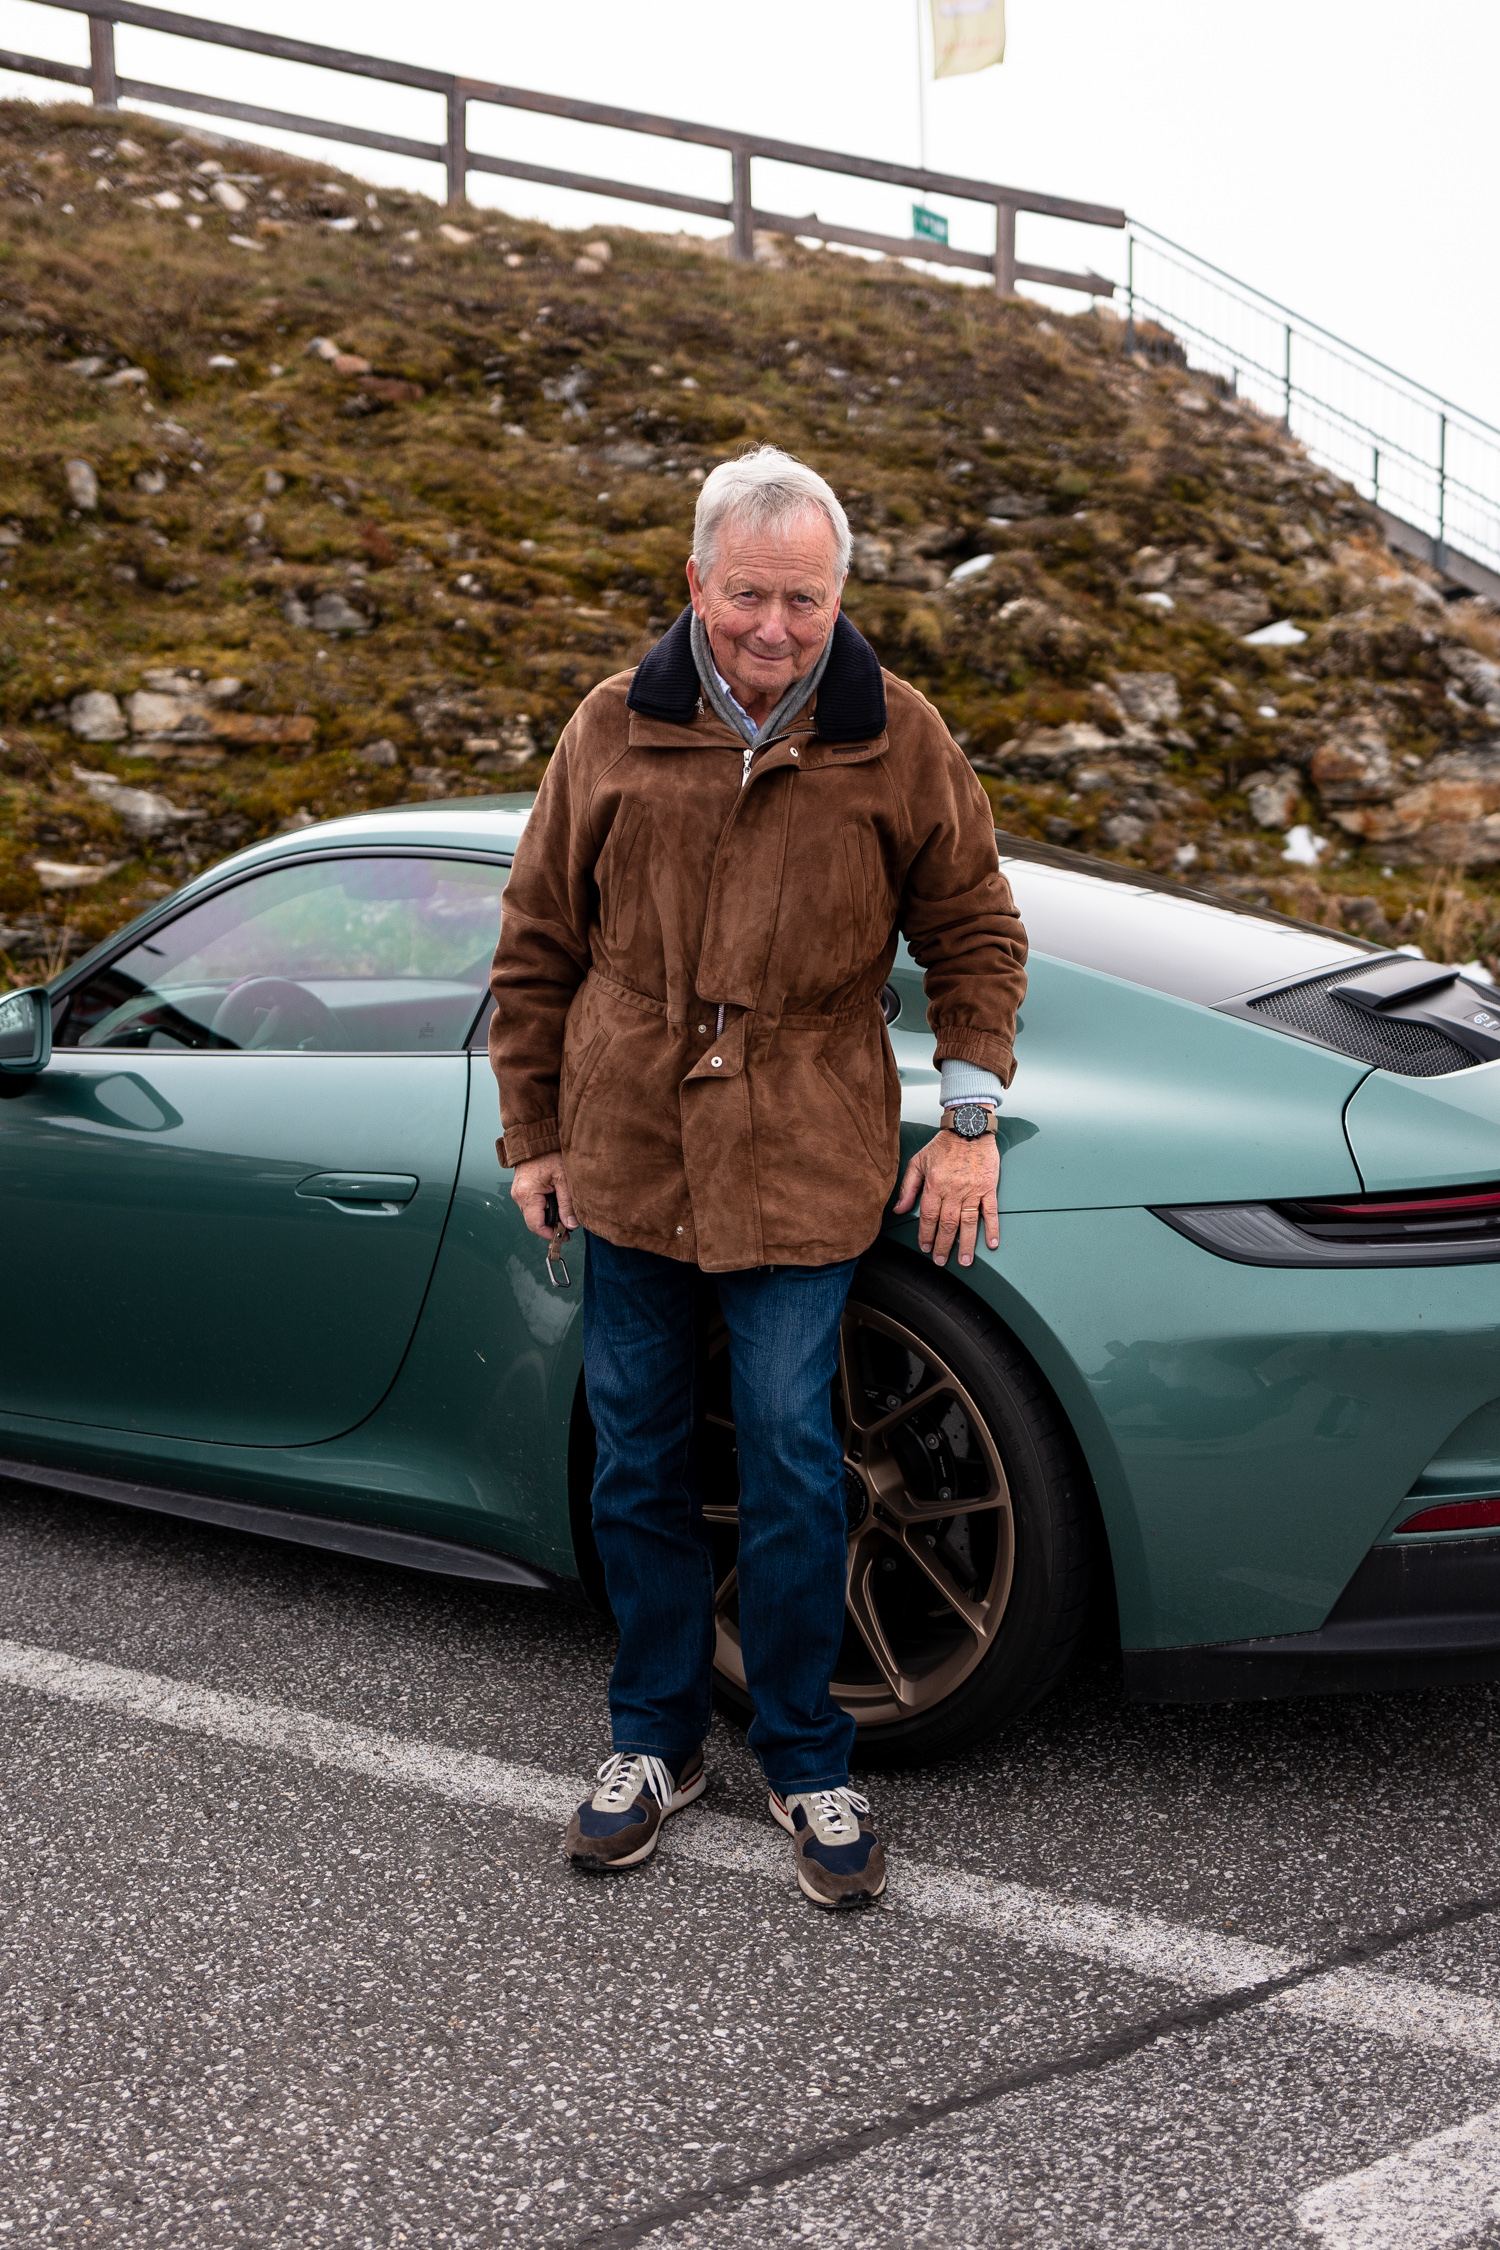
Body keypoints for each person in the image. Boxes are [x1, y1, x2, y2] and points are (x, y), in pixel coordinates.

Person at [489, 445, 1027, 1909]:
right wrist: (532, 1129)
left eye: (802, 598)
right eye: (746, 598)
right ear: (694, 584)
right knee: (639, 1456)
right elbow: (536, 939)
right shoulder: (610, 727)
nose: (775, 628)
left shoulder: (899, 737)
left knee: (794, 1458)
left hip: (802, 1152)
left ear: (840, 592)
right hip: (630, 1153)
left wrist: (968, 1117)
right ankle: (652, 1739)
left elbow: (975, 928)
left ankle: (803, 1749)